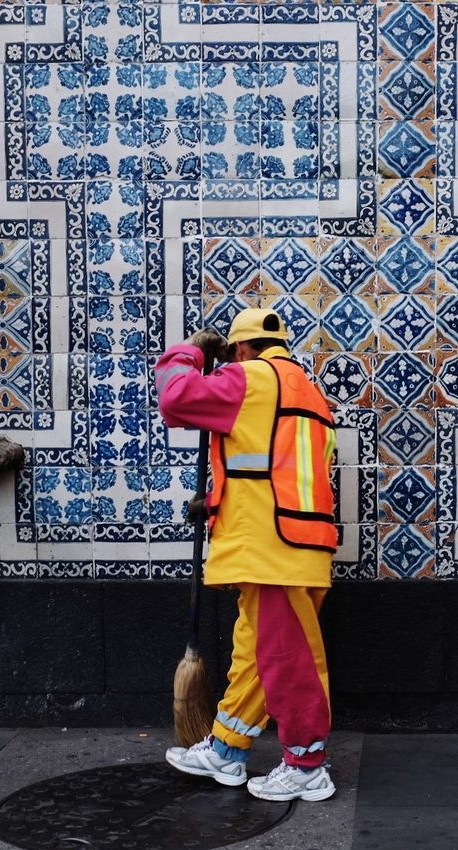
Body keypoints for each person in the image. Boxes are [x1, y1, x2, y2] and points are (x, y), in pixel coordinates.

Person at [154, 307, 339, 802]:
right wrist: (215, 500)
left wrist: (190, 353)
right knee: (255, 654)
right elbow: (273, 467)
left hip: (269, 543)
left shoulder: (249, 378)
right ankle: (227, 750)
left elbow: (173, 399)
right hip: (294, 539)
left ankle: (306, 763)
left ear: (239, 348)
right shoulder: (306, 390)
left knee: (286, 657)